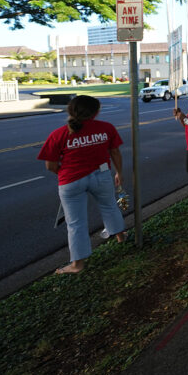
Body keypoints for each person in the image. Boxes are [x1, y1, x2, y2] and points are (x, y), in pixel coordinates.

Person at [37, 95, 126, 274]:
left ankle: (77, 265)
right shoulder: (106, 128)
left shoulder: (59, 134)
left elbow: (50, 165)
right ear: (96, 111)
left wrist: (66, 173)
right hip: (101, 176)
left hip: (71, 181)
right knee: (109, 207)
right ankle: (120, 237)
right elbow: (115, 152)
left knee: (76, 223)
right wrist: (119, 172)